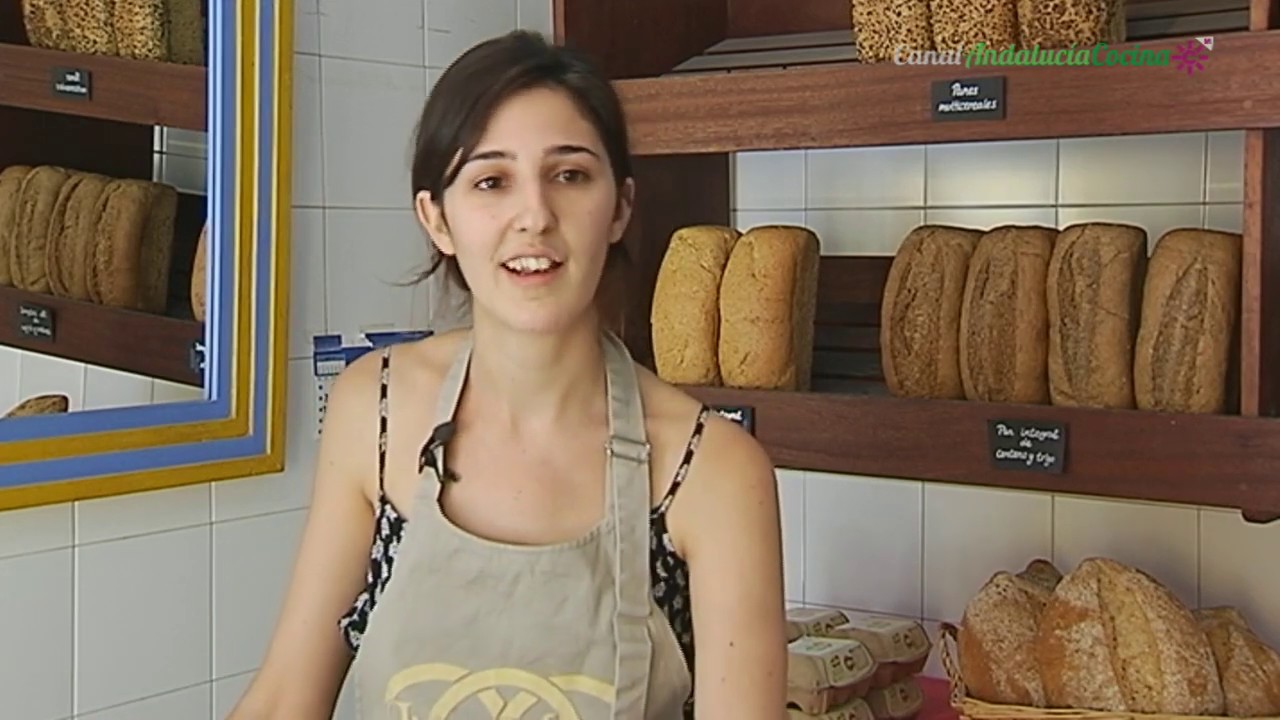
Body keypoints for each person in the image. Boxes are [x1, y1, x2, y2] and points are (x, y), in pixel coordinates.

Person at [229, 29, 788, 720]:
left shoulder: (711, 470)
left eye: (571, 175)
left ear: (618, 207)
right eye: (492, 181)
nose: (535, 217)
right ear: (437, 219)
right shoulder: (374, 410)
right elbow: (286, 700)